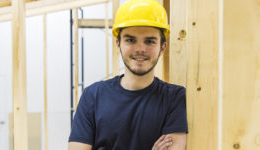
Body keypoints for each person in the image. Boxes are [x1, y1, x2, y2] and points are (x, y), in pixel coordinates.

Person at [68, 0, 188, 149]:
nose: (140, 49)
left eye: (149, 41)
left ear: (162, 47)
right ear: (118, 44)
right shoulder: (93, 96)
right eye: (130, 40)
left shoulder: (174, 98)